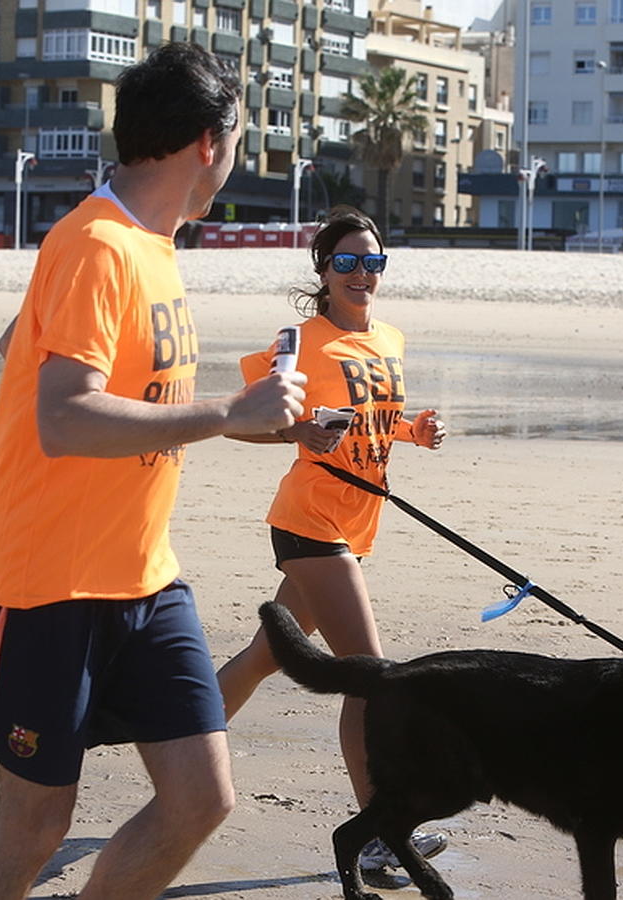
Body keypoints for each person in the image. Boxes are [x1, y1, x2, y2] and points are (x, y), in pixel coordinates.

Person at [0, 42, 304, 900]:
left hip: (143, 575)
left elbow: (29, 352)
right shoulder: (98, 243)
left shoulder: (148, 245)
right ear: (210, 142)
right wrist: (222, 414)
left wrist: (245, 423)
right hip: (47, 584)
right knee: (33, 830)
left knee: (200, 799)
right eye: (242, 138)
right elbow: (62, 416)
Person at [215, 206, 448, 875]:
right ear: (323, 269)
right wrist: (293, 433)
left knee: (267, 656)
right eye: (346, 261)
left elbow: (372, 418)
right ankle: (379, 834)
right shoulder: (302, 341)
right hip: (310, 520)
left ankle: (179, 737)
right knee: (370, 679)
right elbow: (241, 419)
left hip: (352, 522)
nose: (361, 274)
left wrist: (413, 432)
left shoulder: (390, 339)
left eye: (372, 262)